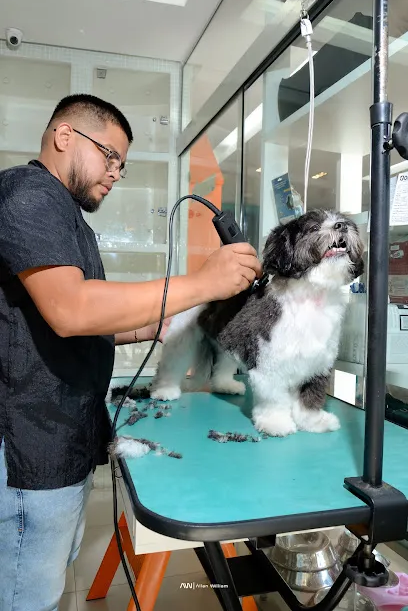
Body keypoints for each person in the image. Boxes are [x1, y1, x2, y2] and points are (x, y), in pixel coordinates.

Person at [0, 94, 262, 611]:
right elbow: (71, 309)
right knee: (26, 595)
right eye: (110, 155)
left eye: (123, 163)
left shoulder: (67, 218)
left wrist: (145, 329)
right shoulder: (27, 195)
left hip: (63, 438)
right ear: (64, 136)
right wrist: (200, 282)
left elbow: (74, 323)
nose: (116, 172)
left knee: (47, 580)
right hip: (30, 444)